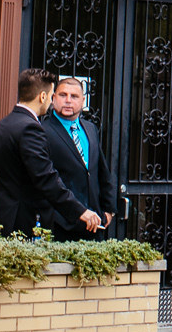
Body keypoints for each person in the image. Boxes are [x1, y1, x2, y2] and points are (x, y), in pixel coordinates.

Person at [0, 68, 100, 238]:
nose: (50, 102)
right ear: (42, 97)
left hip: (5, 216)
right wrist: (80, 211)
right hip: (26, 222)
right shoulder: (31, 128)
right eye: (50, 96)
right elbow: (46, 178)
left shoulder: (4, 124)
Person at [38, 75, 117, 241]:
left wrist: (109, 210)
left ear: (82, 101)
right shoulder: (42, 131)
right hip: (60, 225)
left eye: (74, 96)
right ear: (53, 99)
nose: (68, 101)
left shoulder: (90, 129)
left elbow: (101, 171)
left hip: (94, 225)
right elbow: (45, 179)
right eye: (62, 95)